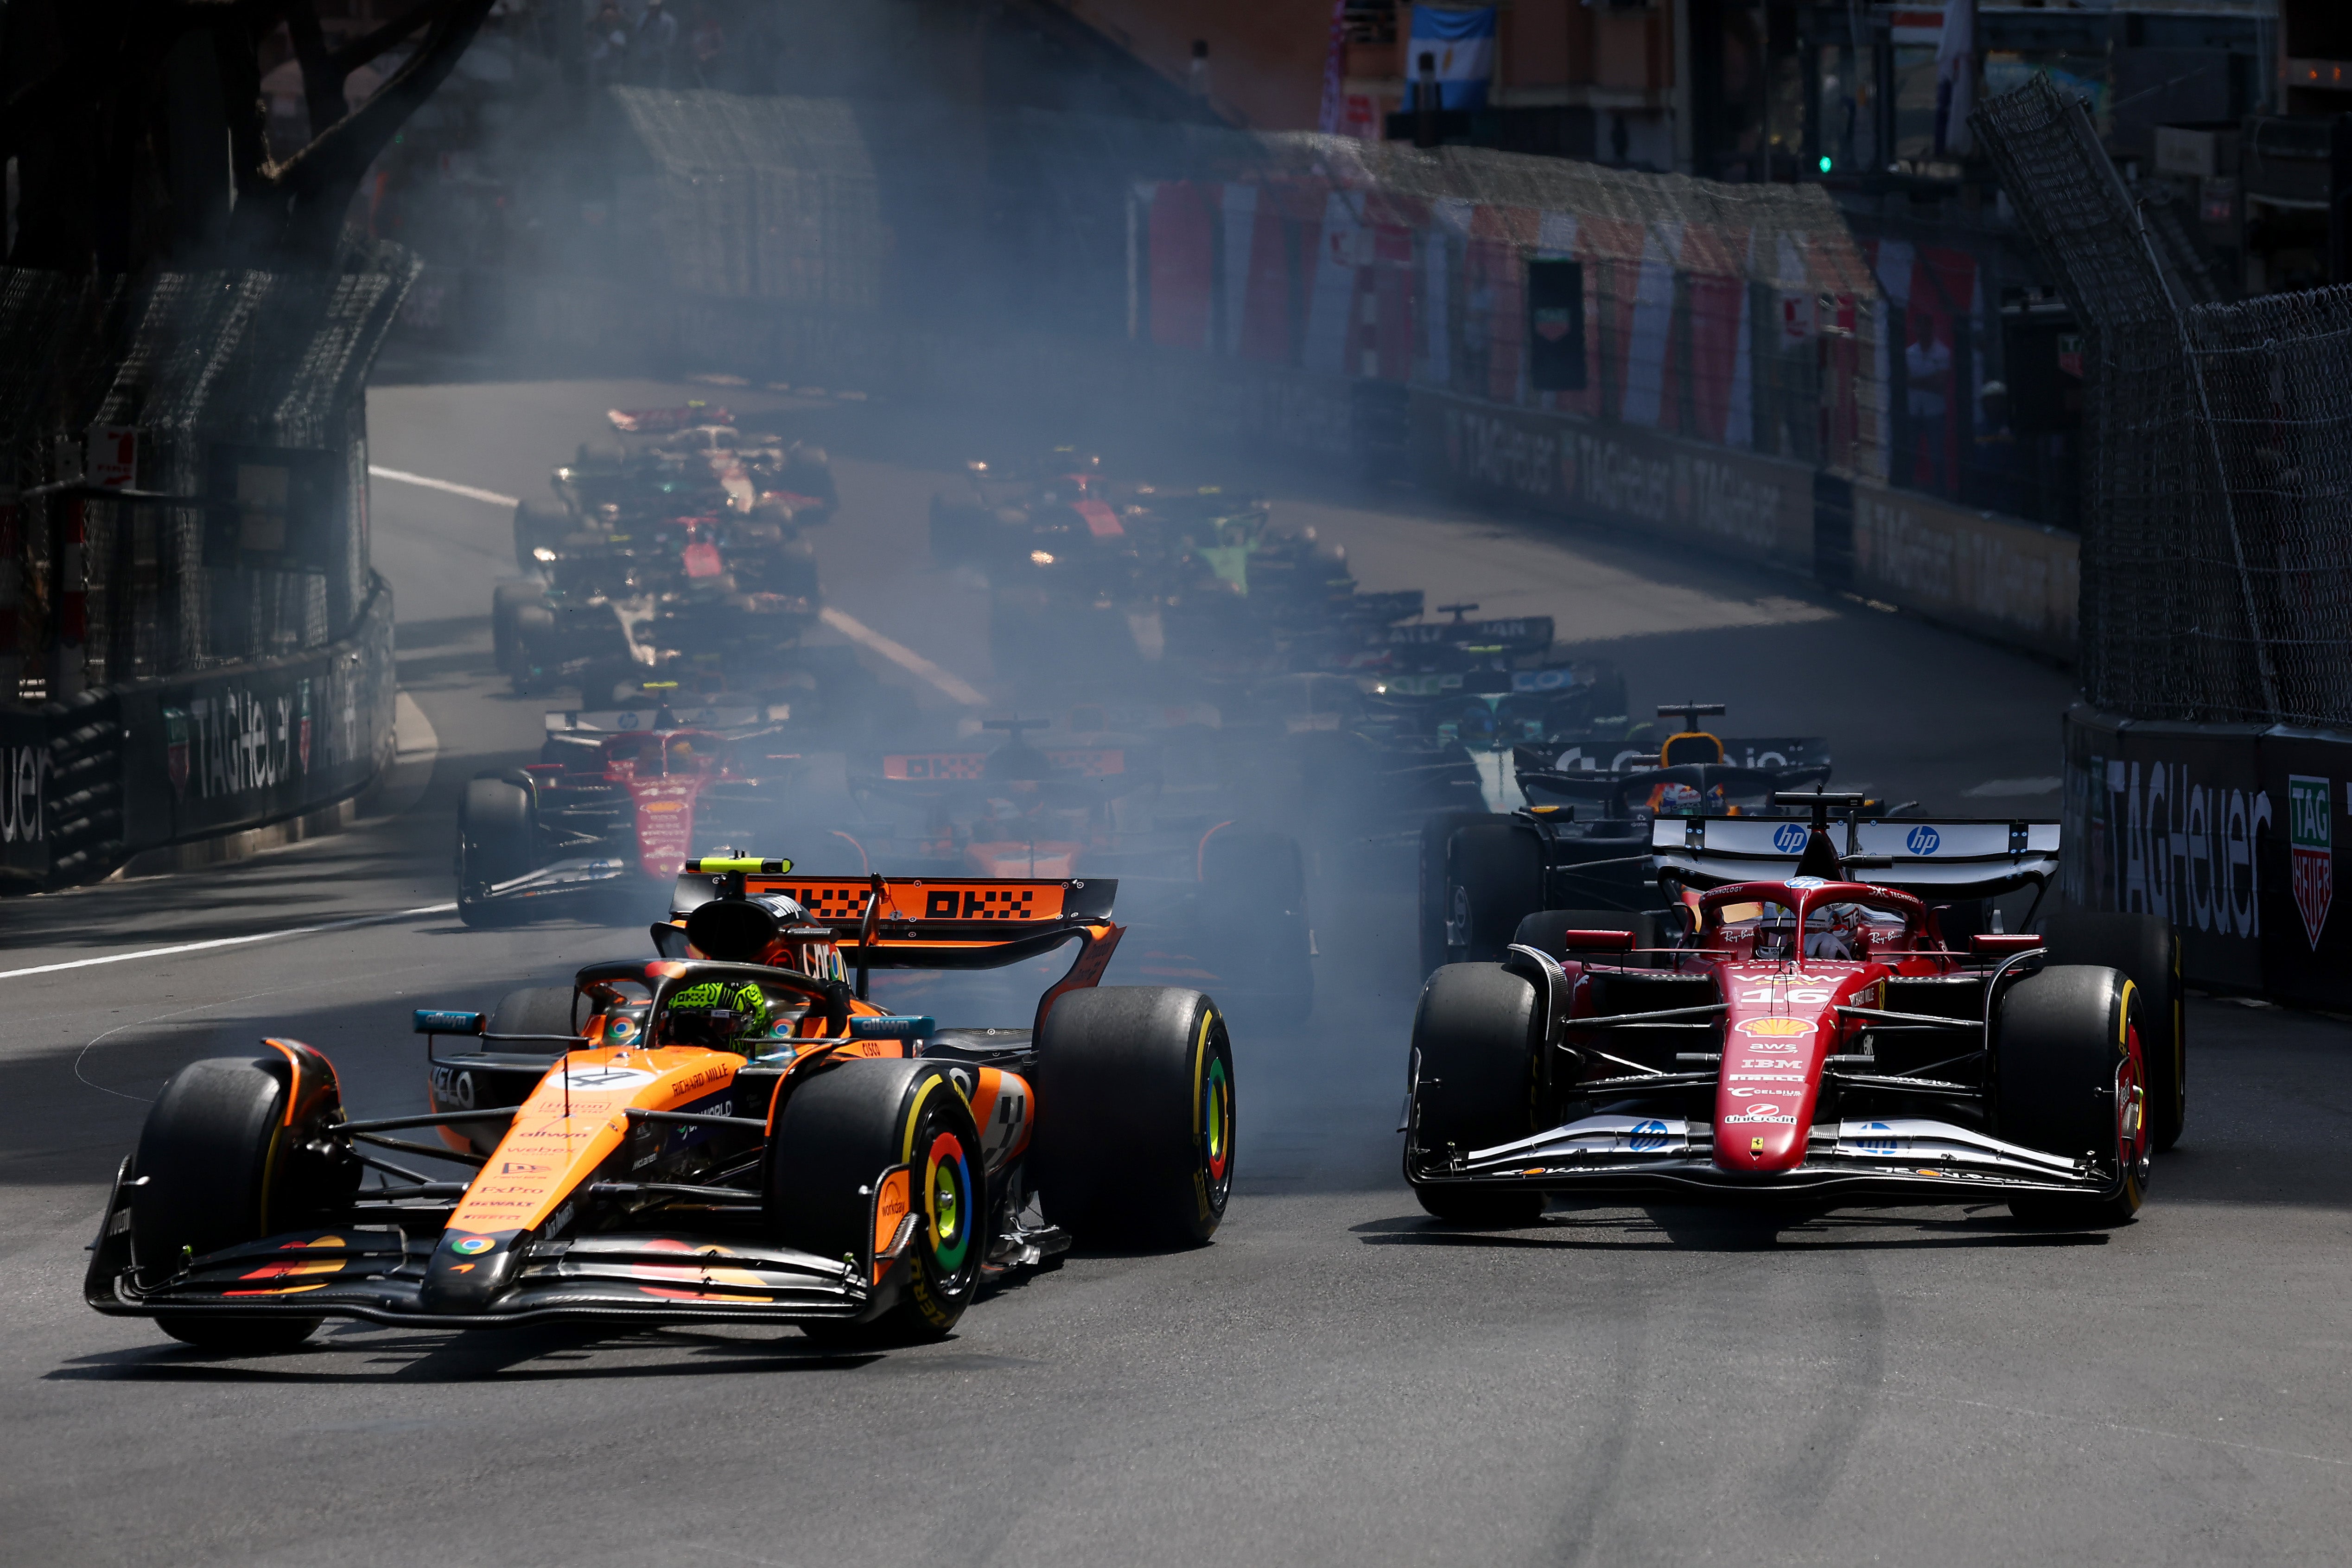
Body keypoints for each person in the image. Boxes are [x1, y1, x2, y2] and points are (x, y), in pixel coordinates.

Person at [631, 0, 679, 87]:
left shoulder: (669, 21)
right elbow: (637, 34)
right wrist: (647, 20)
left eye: (655, 8)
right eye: (651, 8)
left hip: (661, 58)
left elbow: (670, 41)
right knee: (644, 82)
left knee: (659, 82)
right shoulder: (643, 17)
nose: (653, 10)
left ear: (660, 8)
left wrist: (660, 51)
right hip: (645, 56)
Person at [585, 1, 628, 86]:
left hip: (613, 70)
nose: (608, 21)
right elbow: (588, 42)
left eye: (610, 19)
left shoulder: (619, 32)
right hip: (598, 69)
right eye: (606, 18)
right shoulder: (595, 26)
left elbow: (621, 48)